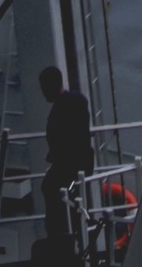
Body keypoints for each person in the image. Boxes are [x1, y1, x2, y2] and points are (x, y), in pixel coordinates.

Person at [39, 64, 93, 256]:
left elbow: (66, 139)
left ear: (50, 86)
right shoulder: (78, 100)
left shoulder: (62, 108)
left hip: (69, 167)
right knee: (68, 202)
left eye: (44, 88)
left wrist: (54, 155)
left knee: (53, 193)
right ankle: (73, 241)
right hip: (80, 164)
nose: (43, 94)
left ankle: (60, 242)